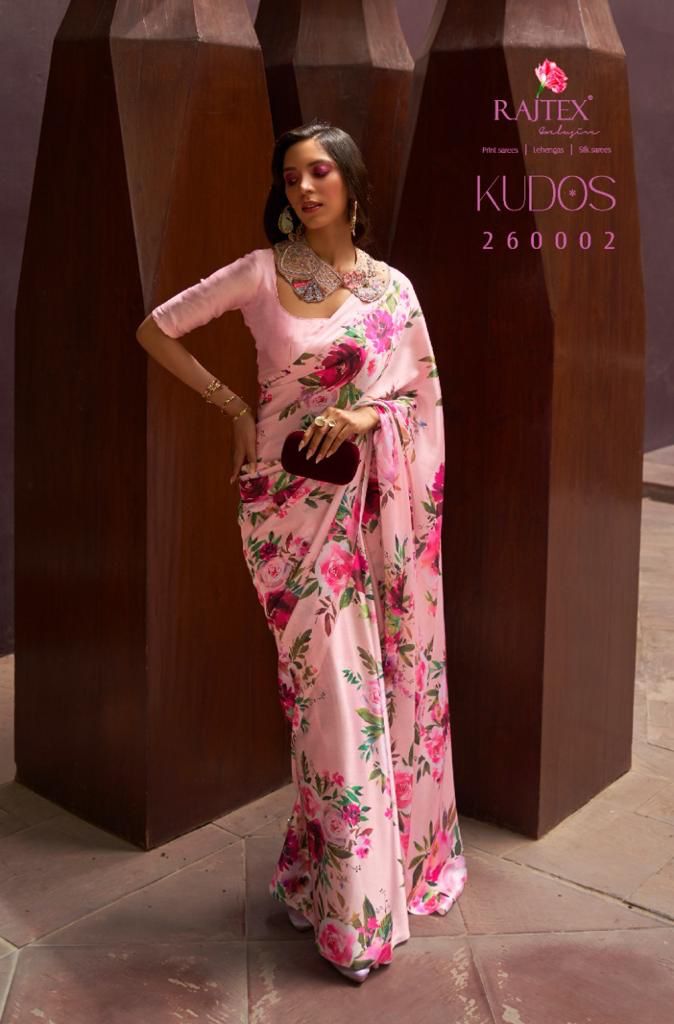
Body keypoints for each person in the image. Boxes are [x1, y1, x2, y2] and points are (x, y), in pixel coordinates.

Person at [136, 120, 467, 984]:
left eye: (320, 171)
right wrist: (234, 409)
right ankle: (344, 890)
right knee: (328, 699)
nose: (305, 187)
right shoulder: (260, 272)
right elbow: (156, 329)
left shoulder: (393, 291)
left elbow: (421, 401)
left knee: (359, 698)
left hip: (372, 517)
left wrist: (366, 415)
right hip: (286, 518)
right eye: (291, 176)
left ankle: (350, 903)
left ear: (351, 184)